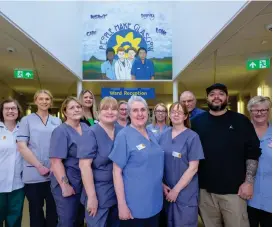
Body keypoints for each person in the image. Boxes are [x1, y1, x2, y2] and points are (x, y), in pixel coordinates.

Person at [191, 83, 261, 227]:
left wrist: (249, 182)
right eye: (212, 94)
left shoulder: (241, 121)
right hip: (205, 192)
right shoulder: (196, 123)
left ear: (227, 98)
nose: (216, 97)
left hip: (234, 192)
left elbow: (253, 153)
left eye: (221, 94)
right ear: (207, 99)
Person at [109, 95, 164, 227]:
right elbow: (116, 172)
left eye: (143, 110)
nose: (140, 114)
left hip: (155, 201)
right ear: (129, 114)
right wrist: (122, 205)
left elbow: (151, 164)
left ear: (148, 112)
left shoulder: (151, 133)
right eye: (135, 110)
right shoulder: (124, 136)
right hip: (134, 206)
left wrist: (161, 184)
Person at [17, 89, 61, 227]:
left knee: (53, 211)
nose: (44, 101)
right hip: (34, 173)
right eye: (41, 99)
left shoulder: (57, 121)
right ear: (35, 101)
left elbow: (60, 145)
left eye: (47, 99)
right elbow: (22, 146)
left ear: (51, 102)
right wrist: (39, 166)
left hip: (54, 174)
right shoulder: (26, 120)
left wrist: (55, 166)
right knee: (36, 211)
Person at [78, 97, 122, 227]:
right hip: (98, 191)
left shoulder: (121, 131)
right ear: (98, 112)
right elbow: (84, 166)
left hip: (118, 190)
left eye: (114, 109)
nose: (110, 112)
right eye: (105, 108)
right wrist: (91, 197)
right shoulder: (91, 133)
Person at [159, 102, 204, 227]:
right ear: (169, 115)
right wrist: (162, 185)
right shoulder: (163, 136)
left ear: (185, 116)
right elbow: (156, 162)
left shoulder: (193, 137)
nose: (176, 114)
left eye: (180, 112)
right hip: (165, 192)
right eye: (173, 111)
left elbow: (193, 168)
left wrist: (176, 190)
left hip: (185, 194)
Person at [49, 97, 86, 227]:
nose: (76, 109)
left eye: (78, 107)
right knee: (67, 221)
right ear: (65, 112)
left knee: (79, 220)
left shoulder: (86, 128)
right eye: (72, 107)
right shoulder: (60, 131)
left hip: (84, 183)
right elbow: (55, 161)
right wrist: (65, 186)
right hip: (67, 183)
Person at [247, 96, 272, 227]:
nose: (260, 113)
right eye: (255, 110)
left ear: (269, 111)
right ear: (250, 112)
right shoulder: (243, 132)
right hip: (247, 195)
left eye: (264, 110)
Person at [0, 99, 24, 227]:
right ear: (2, 111)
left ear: (18, 111)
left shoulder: (24, 129)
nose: (10, 111)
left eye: (13, 108)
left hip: (17, 185)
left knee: (14, 221)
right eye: (7, 108)